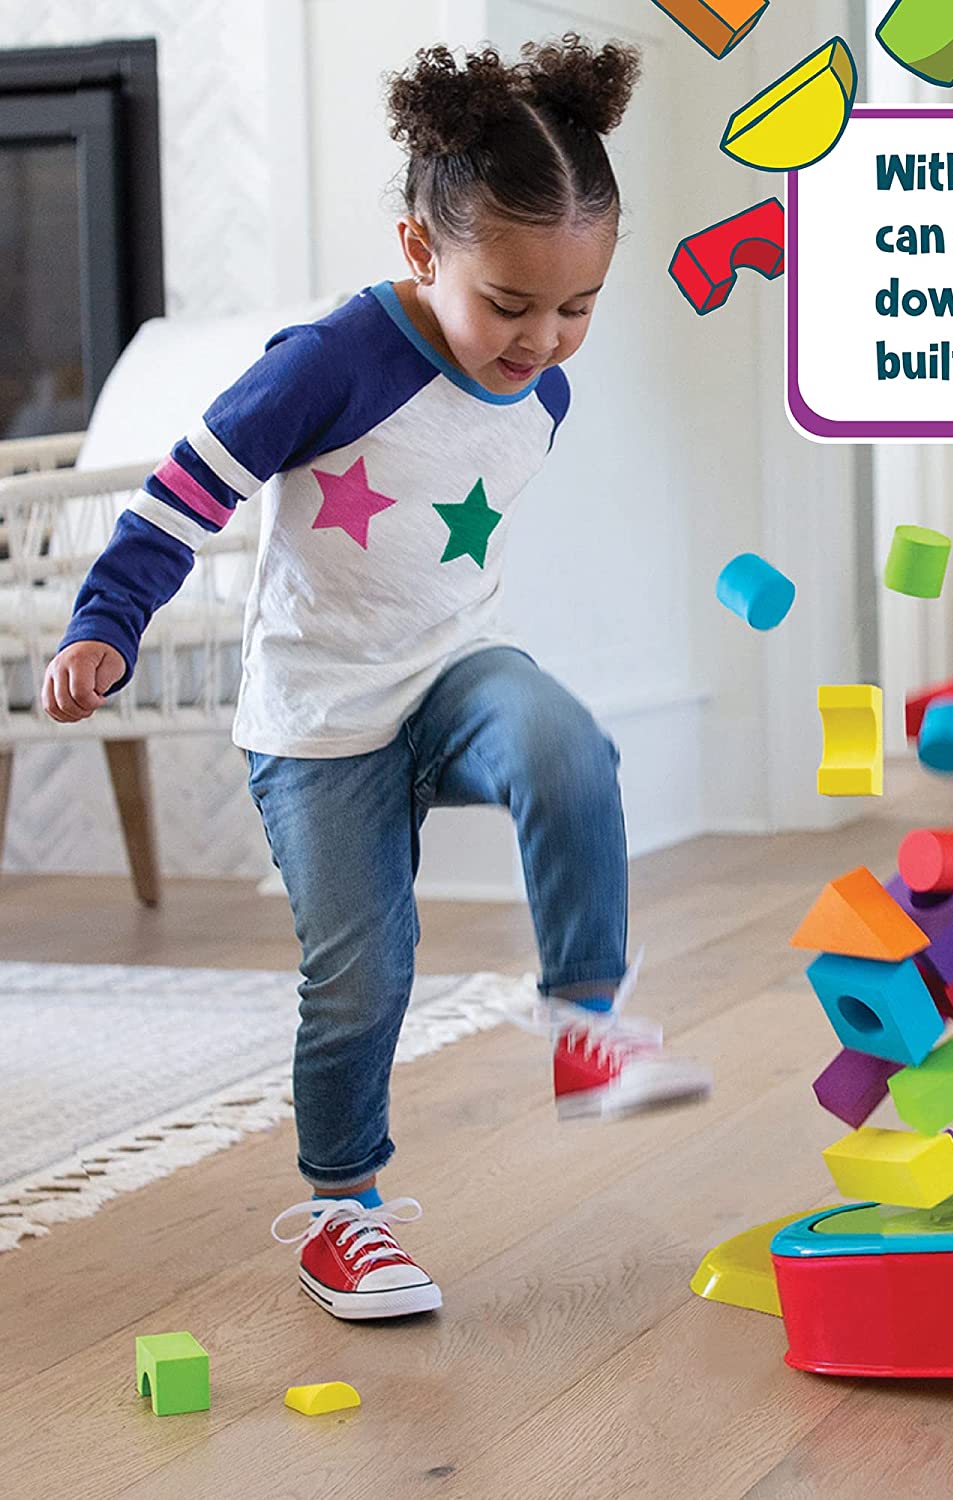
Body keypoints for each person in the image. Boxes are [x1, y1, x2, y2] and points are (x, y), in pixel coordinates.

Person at [42, 34, 711, 1322]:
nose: (541, 339)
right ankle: (344, 1215)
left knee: (569, 745)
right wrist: (107, 621)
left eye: (577, 307)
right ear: (420, 252)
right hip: (319, 720)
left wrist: (533, 344)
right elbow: (187, 491)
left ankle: (585, 1023)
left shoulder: (543, 393)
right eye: (509, 305)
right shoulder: (331, 361)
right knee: (365, 974)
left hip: (451, 671)